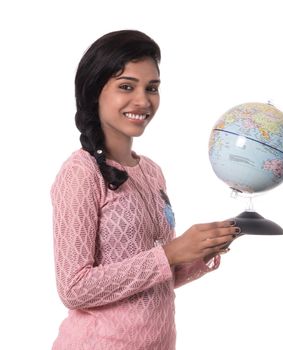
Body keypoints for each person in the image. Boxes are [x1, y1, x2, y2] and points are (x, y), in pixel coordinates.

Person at [51, 29, 240, 350]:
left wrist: (203, 250)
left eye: (152, 88)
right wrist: (171, 252)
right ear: (95, 91)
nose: (143, 100)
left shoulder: (152, 172)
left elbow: (155, 279)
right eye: (127, 86)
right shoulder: (80, 173)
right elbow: (73, 287)